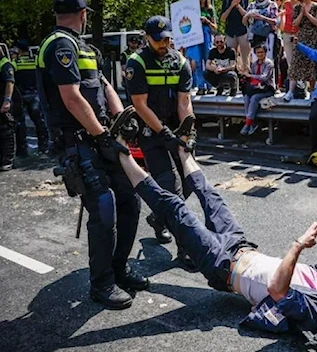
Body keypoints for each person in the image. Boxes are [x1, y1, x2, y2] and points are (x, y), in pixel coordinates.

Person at [109, 120, 317, 332]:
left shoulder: (311, 306)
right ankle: (182, 147)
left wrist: (299, 245)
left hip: (220, 263)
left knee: (174, 208)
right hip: (239, 244)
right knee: (210, 195)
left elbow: (276, 290)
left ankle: (119, 151)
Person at [36, 0, 146, 309]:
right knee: (103, 208)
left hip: (100, 138)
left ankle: (119, 267)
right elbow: (71, 99)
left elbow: (104, 84)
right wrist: (101, 133)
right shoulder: (59, 45)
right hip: (78, 142)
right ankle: (102, 284)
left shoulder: (85, 48)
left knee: (129, 199)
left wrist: (123, 117)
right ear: (83, 15)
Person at [125, 16, 196, 256]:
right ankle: (186, 248)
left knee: (188, 183)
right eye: (158, 40)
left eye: (167, 38)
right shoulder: (137, 63)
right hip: (150, 132)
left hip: (175, 130)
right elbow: (140, 104)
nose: (163, 43)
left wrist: (187, 131)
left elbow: (184, 101)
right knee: (171, 186)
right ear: (147, 38)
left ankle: (158, 217)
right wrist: (162, 132)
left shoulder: (180, 61)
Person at [12, 40, 50, 156]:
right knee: (39, 121)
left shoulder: (16, 62)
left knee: (20, 122)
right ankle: (43, 146)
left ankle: (22, 149)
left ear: (18, 50)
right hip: (35, 94)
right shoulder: (35, 61)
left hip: (21, 95)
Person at [288, 0, 317, 99]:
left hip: (313, 37)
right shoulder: (297, 7)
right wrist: (301, 13)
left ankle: (312, 90)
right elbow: (295, 23)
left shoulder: (316, 7)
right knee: (295, 63)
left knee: (311, 63)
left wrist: (307, 14)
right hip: (301, 37)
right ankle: (290, 91)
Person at [240, 43, 276, 135]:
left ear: (265, 52)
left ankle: (247, 124)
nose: (260, 54)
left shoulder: (269, 63)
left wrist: (250, 75)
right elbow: (252, 78)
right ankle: (251, 122)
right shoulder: (254, 64)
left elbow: (264, 77)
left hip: (267, 88)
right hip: (256, 88)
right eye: (258, 52)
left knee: (254, 98)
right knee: (247, 97)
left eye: (261, 52)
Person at [220, 0, 251, 74]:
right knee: (231, 57)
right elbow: (222, 18)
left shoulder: (245, 1)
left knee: (245, 58)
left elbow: (248, 16)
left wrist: (238, 6)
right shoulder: (226, 1)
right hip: (230, 32)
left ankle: (246, 77)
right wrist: (231, 6)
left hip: (243, 31)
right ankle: (232, 76)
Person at [280, 0, 300, 102]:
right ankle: (291, 90)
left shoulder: (301, 4)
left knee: (299, 61)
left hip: (299, 34)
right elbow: (282, 23)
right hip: (287, 34)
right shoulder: (286, 4)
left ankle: (302, 87)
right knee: (290, 62)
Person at [0, 49, 15, 171]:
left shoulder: (5, 64)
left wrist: (7, 100)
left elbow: (10, 82)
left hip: (3, 101)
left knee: (7, 131)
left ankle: (8, 160)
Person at [119, 35, 140, 103]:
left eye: (135, 43)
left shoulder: (139, 53)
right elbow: (124, 67)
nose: (134, 44)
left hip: (139, 78)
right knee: (130, 99)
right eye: (132, 42)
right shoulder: (124, 54)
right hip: (129, 78)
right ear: (129, 43)